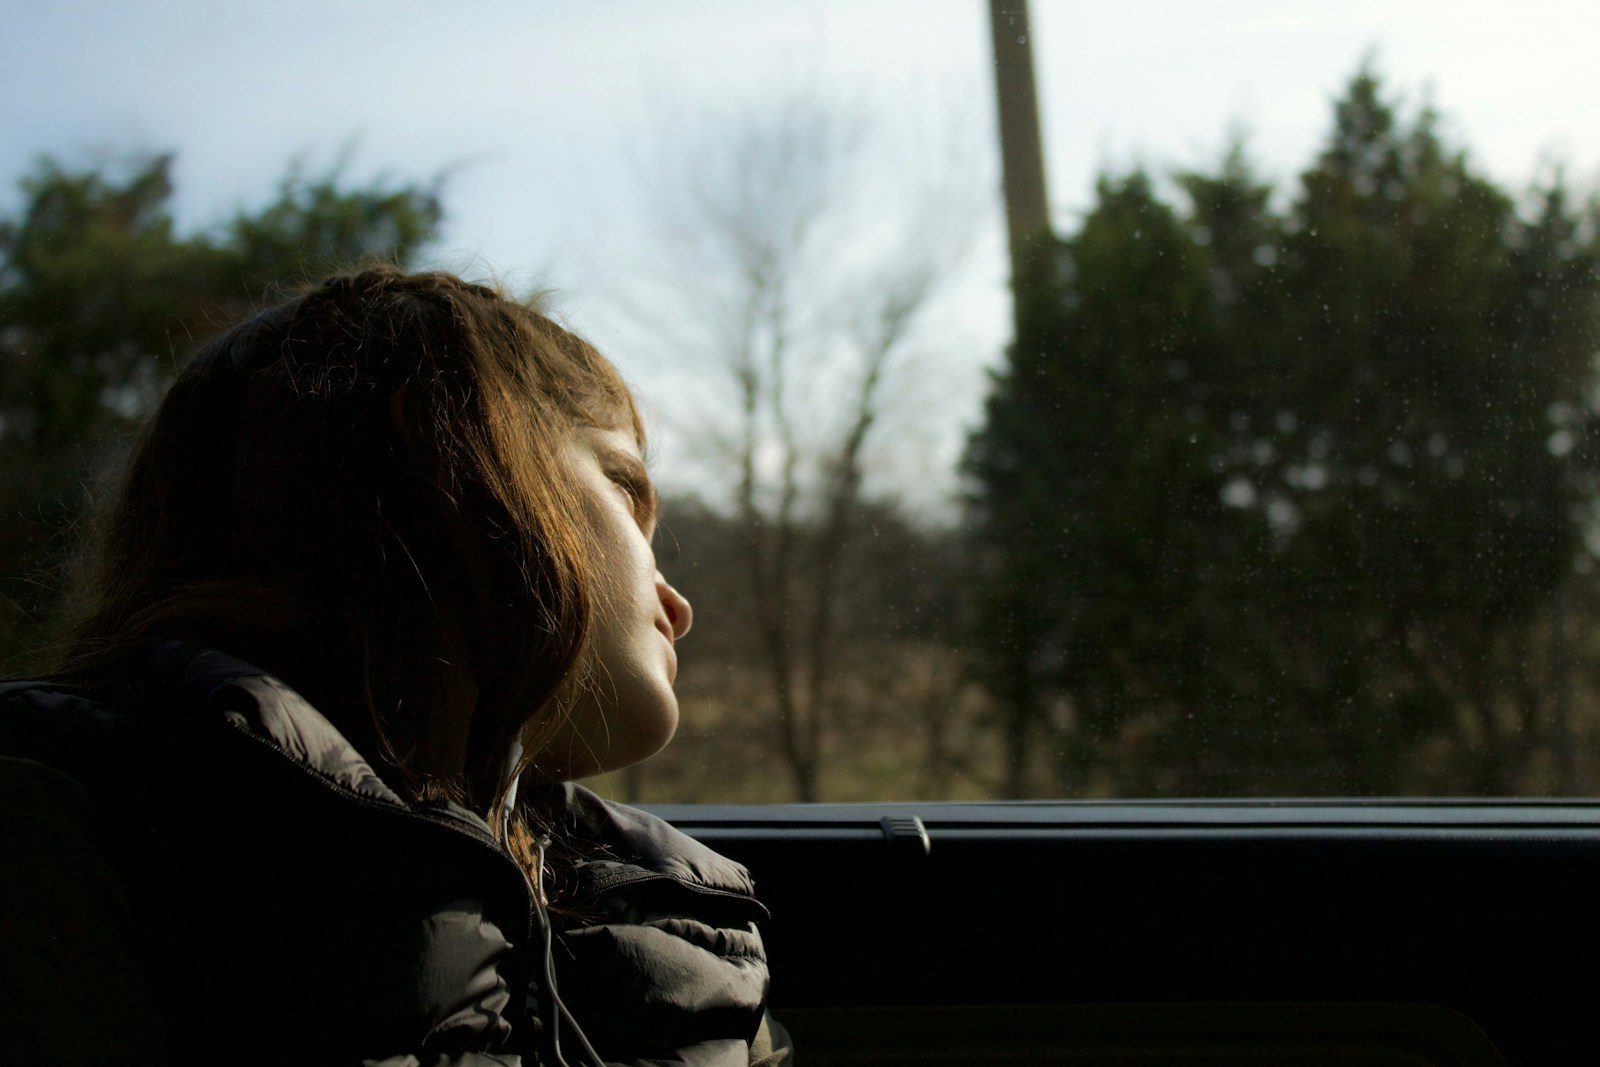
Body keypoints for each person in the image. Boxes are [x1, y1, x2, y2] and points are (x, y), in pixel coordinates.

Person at [0, 266, 792, 1065]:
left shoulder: (679, 926)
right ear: (455, 459)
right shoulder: (54, 844)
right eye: (626, 491)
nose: (677, 603)